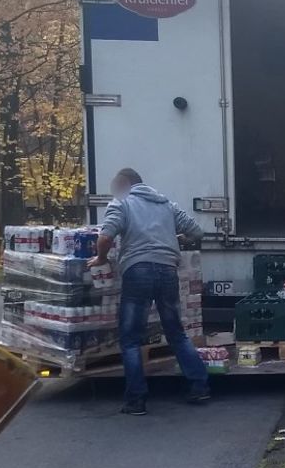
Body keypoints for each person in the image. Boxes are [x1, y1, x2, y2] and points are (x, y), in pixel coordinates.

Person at [90, 168, 210, 416]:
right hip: (167, 271)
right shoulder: (166, 204)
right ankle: (199, 386)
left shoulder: (121, 203)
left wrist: (101, 258)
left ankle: (136, 400)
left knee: (131, 338)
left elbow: (105, 238)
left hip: (138, 271)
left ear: (124, 184)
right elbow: (197, 232)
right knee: (176, 332)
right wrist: (175, 239)